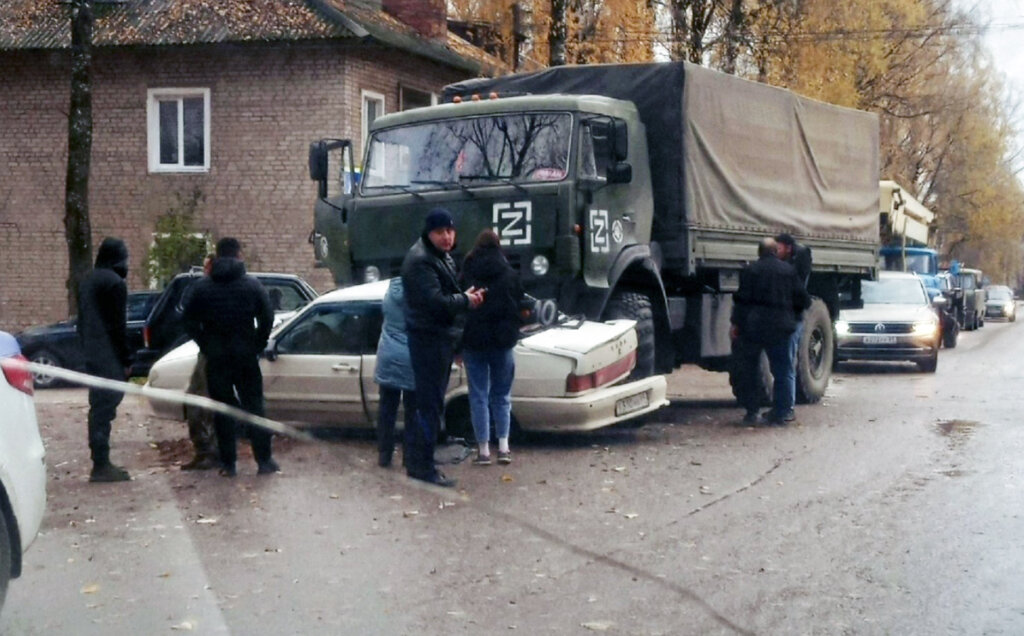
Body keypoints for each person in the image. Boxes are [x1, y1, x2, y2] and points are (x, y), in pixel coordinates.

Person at [401, 208, 485, 487]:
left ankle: (417, 462)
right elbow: (436, 302)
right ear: (429, 233)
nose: (447, 237)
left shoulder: (439, 257)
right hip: (428, 340)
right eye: (441, 232)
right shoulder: (421, 261)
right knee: (429, 405)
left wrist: (463, 298)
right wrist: (466, 300)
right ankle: (423, 468)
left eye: (450, 231)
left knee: (428, 403)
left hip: (438, 338)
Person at [183, 237, 277, 477]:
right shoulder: (252, 285)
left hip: (216, 358)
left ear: (217, 255)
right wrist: (258, 343)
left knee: (222, 411)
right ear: (238, 255)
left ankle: (228, 464)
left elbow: (188, 320)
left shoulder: (203, 287)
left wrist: (206, 344)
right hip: (245, 355)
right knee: (255, 407)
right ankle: (264, 461)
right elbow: (267, 317)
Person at [460, 229, 525, 466]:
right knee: (501, 395)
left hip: (474, 342)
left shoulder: (468, 271)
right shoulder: (509, 274)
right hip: (502, 343)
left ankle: (484, 451)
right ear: (499, 246)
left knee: (478, 396)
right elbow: (518, 305)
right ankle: (504, 448)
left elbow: (460, 306)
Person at [730, 238, 810, 426]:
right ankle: (783, 412)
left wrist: (736, 324)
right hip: (782, 328)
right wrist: (792, 316)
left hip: (754, 329)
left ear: (759, 252)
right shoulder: (789, 271)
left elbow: (742, 301)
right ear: (775, 251)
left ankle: (752, 411)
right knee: (783, 370)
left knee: (750, 369)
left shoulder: (751, 271)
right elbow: (804, 300)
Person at [77, 237, 133, 482]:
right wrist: (125, 360)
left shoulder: (88, 281)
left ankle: (99, 459)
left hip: (91, 351)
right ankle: (101, 465)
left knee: (97, 406)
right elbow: (117, 327)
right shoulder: (114, 284)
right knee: (105, 407)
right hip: (108, 355)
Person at [373, 277, 416, 468]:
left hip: (388, 355)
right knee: (412, 410)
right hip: (410, 357)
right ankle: (409, 455)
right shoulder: (417, 294)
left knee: (386, 409)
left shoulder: (390, 293)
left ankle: (384, 454)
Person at [181, 253, 219, 471]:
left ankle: (208, 451)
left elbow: (187, 318)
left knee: (199, 400)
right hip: (221, 351)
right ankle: (213, 449)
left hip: (209, 352)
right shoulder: (232, 286)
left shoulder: (204, 288)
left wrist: (203, 340)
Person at [775, 233, 813, 406]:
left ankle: (785, 409)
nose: (776, 251)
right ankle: (783, 408)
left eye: (779, 248)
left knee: (785, 367)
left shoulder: (791, 270)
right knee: (783, 367)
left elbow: (804, 299)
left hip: (789, 321)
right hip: (788, 321)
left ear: (789, 248)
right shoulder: (788, 269)